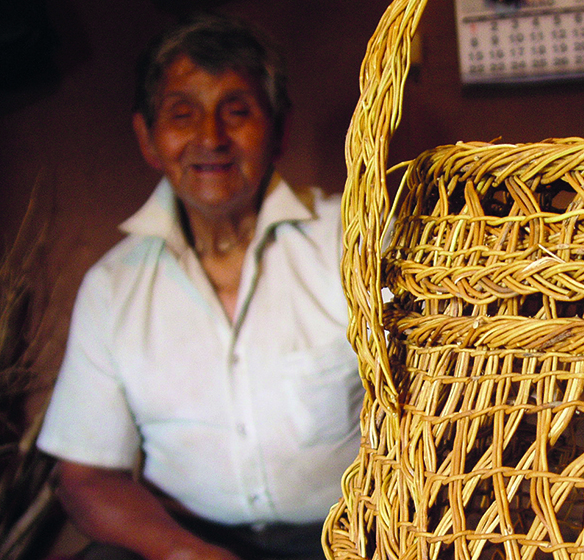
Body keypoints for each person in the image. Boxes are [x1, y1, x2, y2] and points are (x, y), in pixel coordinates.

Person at [36, 12, 361, 560]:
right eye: (182, 115)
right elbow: (85, 478)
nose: (210, 138)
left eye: (237, 112)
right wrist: (185, 554)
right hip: (193, 541)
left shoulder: (352, 244)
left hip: (352, 536)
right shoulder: (113, 288)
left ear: (278, 131)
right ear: (148, 139)